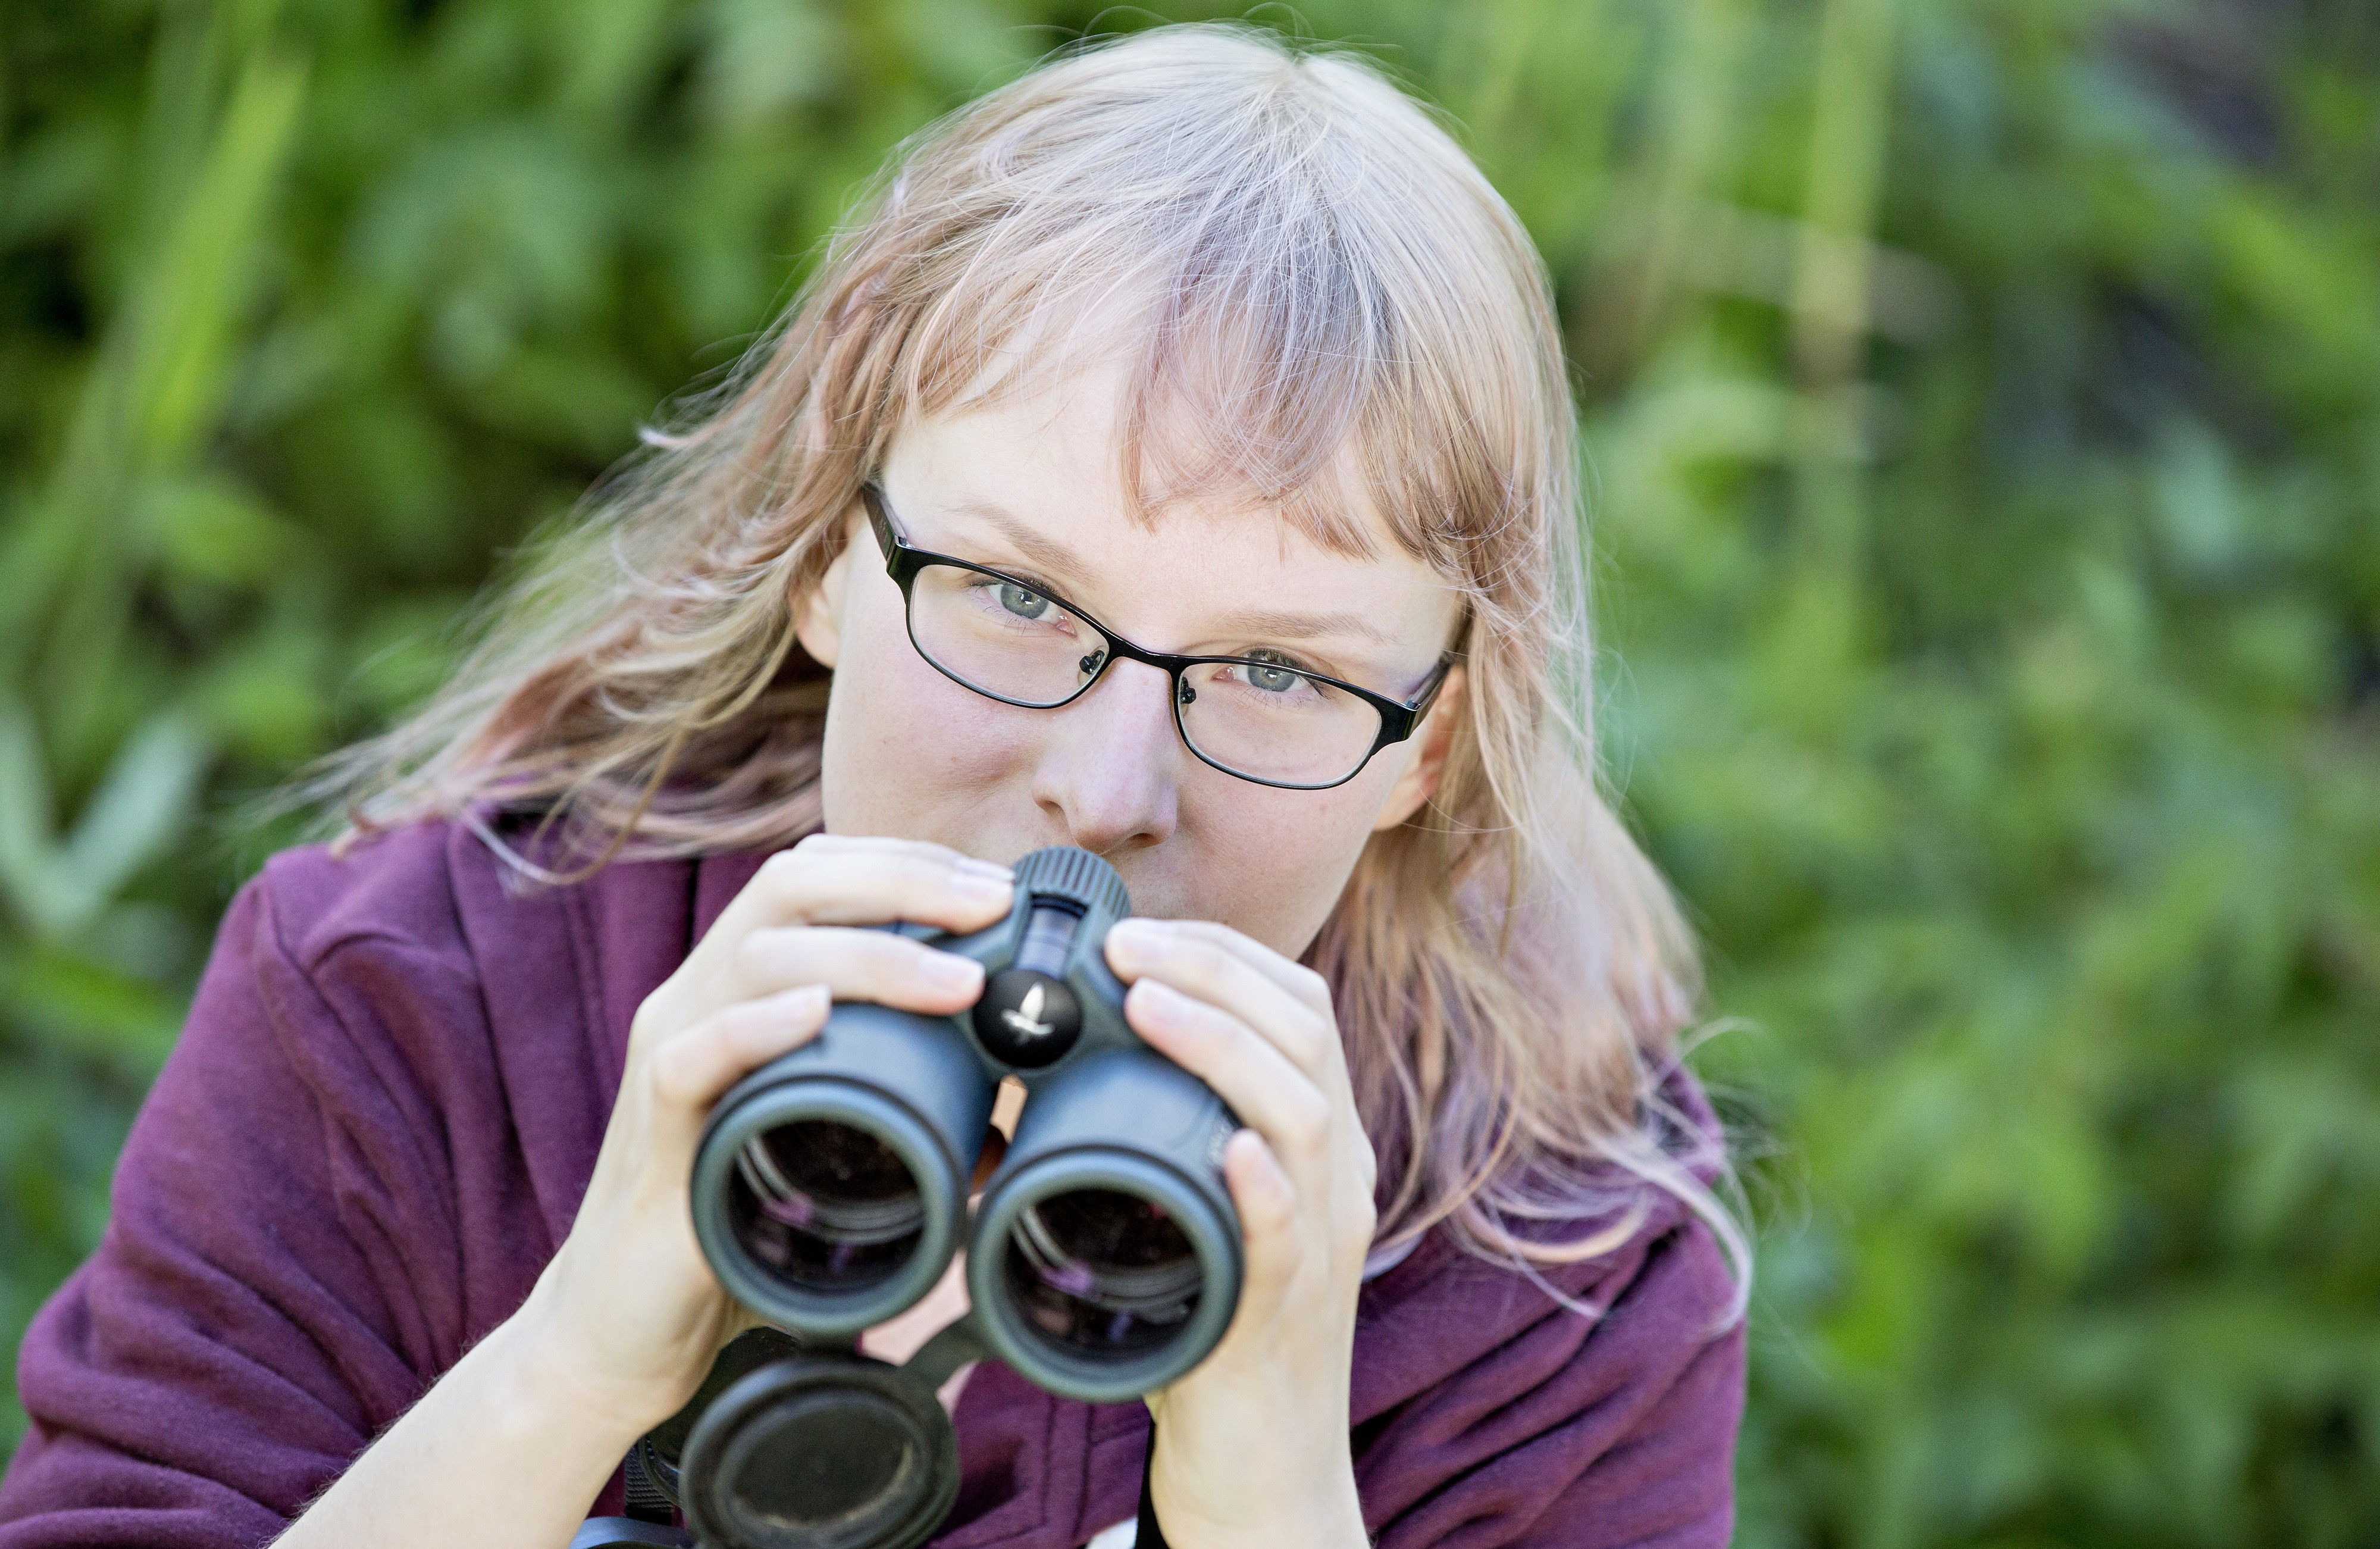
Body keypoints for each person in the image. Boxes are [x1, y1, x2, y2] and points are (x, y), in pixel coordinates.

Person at [0, 24, 1747, 1549]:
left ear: (1430, 740)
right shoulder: (415, 1005)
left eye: (1277, 673)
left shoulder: (1561, 1260)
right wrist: (572, 1365)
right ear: (829, 555)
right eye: (1013, 595)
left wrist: (1272, 1493)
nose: (1104, 784)